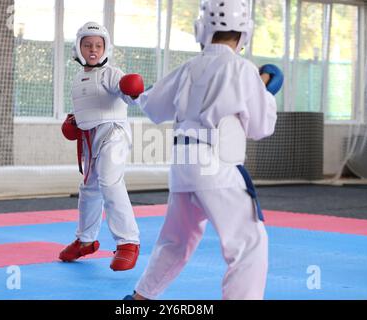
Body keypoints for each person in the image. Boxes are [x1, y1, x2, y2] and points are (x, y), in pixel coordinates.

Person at [119, 0, 283, 299]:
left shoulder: (188, 68)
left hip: (182, 166)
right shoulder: (243, 69)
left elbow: (154, 105)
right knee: (249, 243)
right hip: (216, 165)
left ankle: (139, 300)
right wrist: (266, 92)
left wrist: (134, 95)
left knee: (176, 242)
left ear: (202, 29)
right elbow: (261, 127)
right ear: (245, 32)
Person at [59, 22, 142, 272]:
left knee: (109, 181)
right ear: (78, 48)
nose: (93, 50)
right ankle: (85, 240)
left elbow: (127, 95)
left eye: (98, 45)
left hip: (113, 133)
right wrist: (73, 121)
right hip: (90, 137)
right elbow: (87, 108)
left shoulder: (111, 73)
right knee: (89, 188)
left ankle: (128, 242)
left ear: (105, 48)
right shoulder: (78, 78)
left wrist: (132, 88)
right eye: (87, 45)